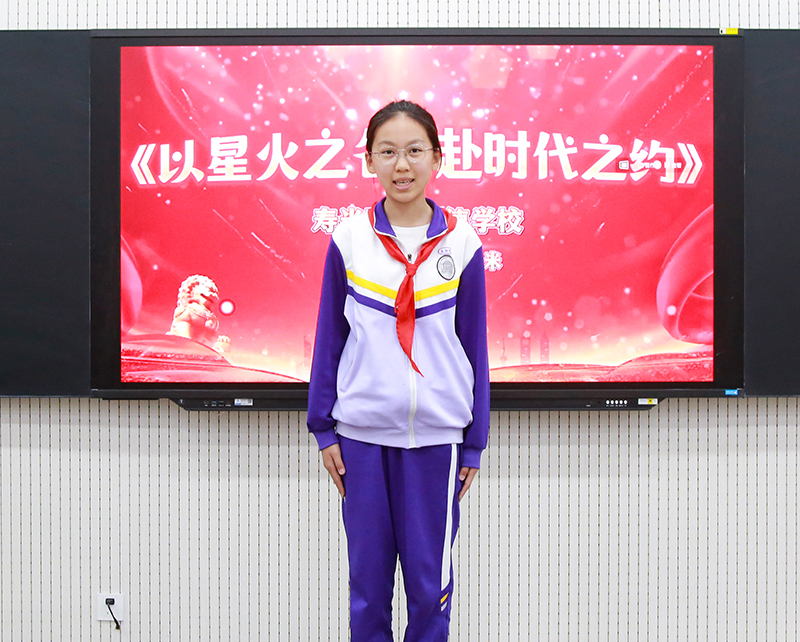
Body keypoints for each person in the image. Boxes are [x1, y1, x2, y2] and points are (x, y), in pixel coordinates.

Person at [307, 100, 489, 642]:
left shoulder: (463, 242)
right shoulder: (348, 240)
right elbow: (329, 340)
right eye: (387, 152)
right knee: (367, 591)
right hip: (361, 441)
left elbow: (474, 348)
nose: (402, 165)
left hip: (437, 442)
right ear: (369, 161)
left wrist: (474, 442)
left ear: (437, 158)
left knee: (431, 593)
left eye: (414, 151)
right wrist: (324, 429)